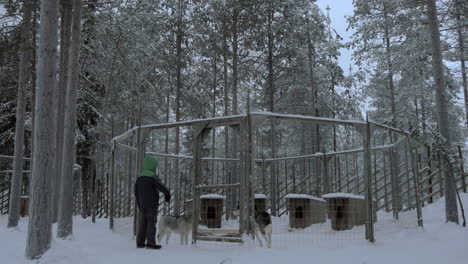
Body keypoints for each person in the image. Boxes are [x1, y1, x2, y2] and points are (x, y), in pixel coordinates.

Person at [134, 155, 171, 249]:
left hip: (142, 204)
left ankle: (140, 242)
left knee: (143, 222)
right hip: (152, 204)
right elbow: (162, 187)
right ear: (152, 166)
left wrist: (139, 202)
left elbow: (136, 192)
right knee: (151, 221)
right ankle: (151, 243)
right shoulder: (152, 177)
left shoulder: (139, 177)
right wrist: (167, 195)